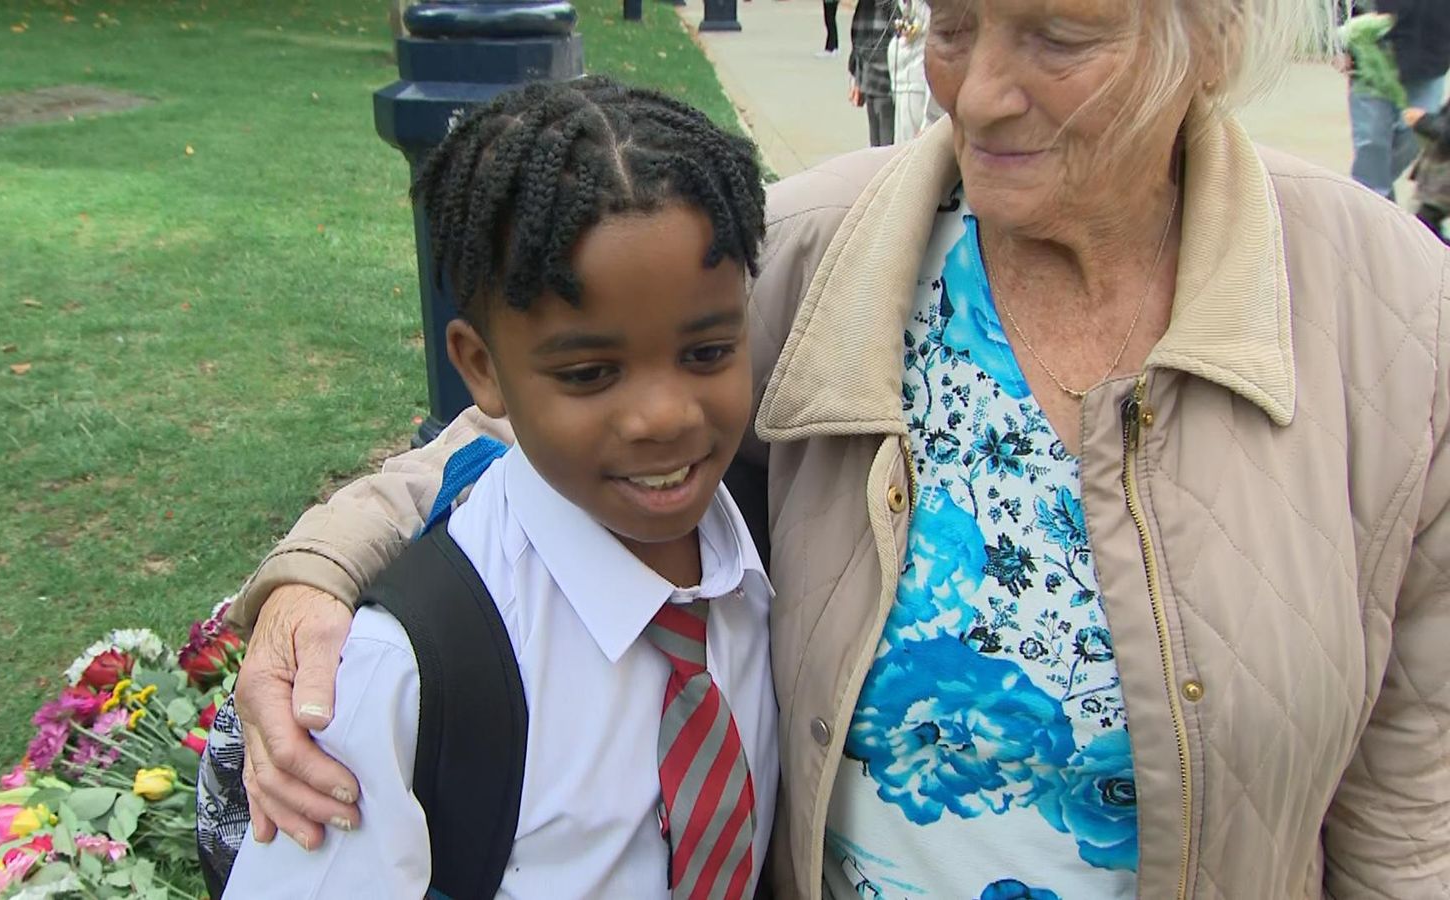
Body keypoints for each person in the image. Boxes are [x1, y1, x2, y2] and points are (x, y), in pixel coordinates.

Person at [227, 0, 1450, 897]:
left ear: (1211, 38)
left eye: (1057, 39)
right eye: (955, 25)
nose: (975, 94)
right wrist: (315, 576)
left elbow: (1413, 799)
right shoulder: (824, 249)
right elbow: (532, 413)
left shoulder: (1385, 307)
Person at [217, 76, 778, 898]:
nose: (664, 416)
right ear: (481, 367)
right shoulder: (396, 675)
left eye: (706, 353)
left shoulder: (770, 546)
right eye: (590, 373)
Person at [1343, 0, 1450, 197]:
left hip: (1430, 58)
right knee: (1371, 140)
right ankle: (1371, 199)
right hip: (1372, 57)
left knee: (1419, 135)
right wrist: (1340, 44)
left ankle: (1369, 192)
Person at [886, 0, 939, 143]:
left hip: (919, 86)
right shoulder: (905, 8)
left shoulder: (929, 12)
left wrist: (929, 122)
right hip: (902, 85)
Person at [847, 0, 896, 146]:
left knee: (883, 143)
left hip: (882, 78)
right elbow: (857, 38)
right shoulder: (869, 5)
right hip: (874, 77)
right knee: (879, 142)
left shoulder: (889, 5)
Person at [1405, 101, 1450, 241]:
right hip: (1439, 182)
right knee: (1423, 228)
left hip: (1442, 182)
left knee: (1423, 230)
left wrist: (1423, 121)